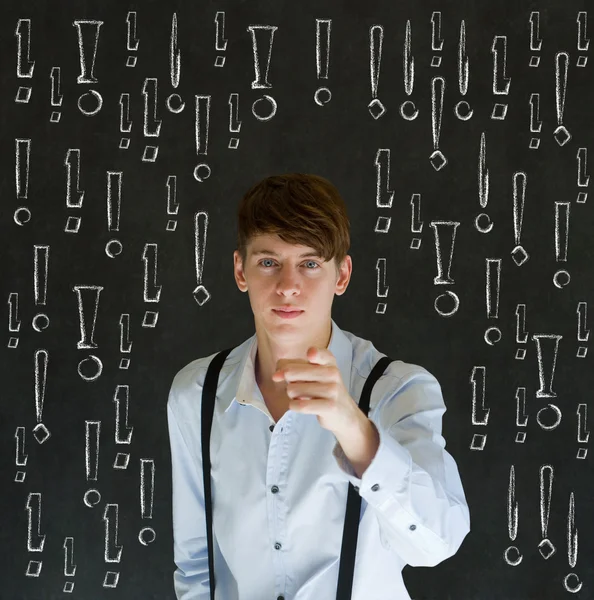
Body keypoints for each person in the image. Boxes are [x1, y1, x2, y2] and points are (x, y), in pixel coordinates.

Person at [167, 173, 471, 600]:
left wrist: (356, 430)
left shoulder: (399, 390)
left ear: (342, 275)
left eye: (310, 263)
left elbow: (437, 543)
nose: (288, 285)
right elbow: (197, 564)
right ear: (240, 270)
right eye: (268, 262)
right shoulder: (195, 394)